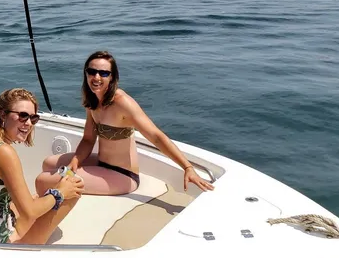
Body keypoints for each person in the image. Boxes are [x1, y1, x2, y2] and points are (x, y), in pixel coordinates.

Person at [35, 51, 215, 196]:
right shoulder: (92, 100)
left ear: (112, 77)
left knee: (43, 180)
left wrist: (187, 167)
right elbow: (89, 139)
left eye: (103, 73)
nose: (97, 77)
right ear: (86, 73)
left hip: (121, 175)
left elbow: (156, 136)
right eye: (92, 71)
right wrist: (76, 161)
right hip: (100, 162)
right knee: (48, 163)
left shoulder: (122, 103)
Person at [0, 88, 83, 244]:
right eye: (22, 116)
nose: (28, 123)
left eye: (33, 118)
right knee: (73, 188)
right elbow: (30, 212)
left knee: (33, 199)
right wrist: (60, 192)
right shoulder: (4, 152)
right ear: (2, 115)